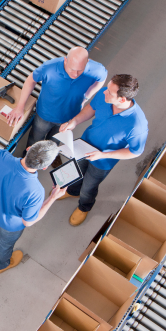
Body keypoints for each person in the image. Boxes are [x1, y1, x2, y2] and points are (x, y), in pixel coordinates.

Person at [0, 140, 67, 274]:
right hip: (11, 225)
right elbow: (28, 221)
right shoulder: (36, 191)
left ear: (29, 148)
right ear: (44, 167)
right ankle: (0, 265)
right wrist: (52, 197)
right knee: (5, 245)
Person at [57, 74, 149, 226]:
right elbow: (91, 108)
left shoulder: (137, 125)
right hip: (84, 144)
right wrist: (74, 121)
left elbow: (135, 151)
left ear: (122, 100)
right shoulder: (105, 94)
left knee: (89, 186)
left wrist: (103, 155)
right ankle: (72, 191)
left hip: (103, 161)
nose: (104, 91)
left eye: (110, 92)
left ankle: (84, 206)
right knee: (74, 171)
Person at [7, 46, 107, 167]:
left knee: (53, 142)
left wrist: (86, 96)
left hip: (68, 118)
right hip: (45, 115)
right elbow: (30, 80)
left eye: (80, 70)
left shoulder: (96, 70)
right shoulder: (50, 68)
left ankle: (48, 157)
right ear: (65, 60)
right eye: (72, 69)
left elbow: (102, 79)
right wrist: (20, 107)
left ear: (87, 62)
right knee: (35, 139)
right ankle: (28, 160)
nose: (75, 74)